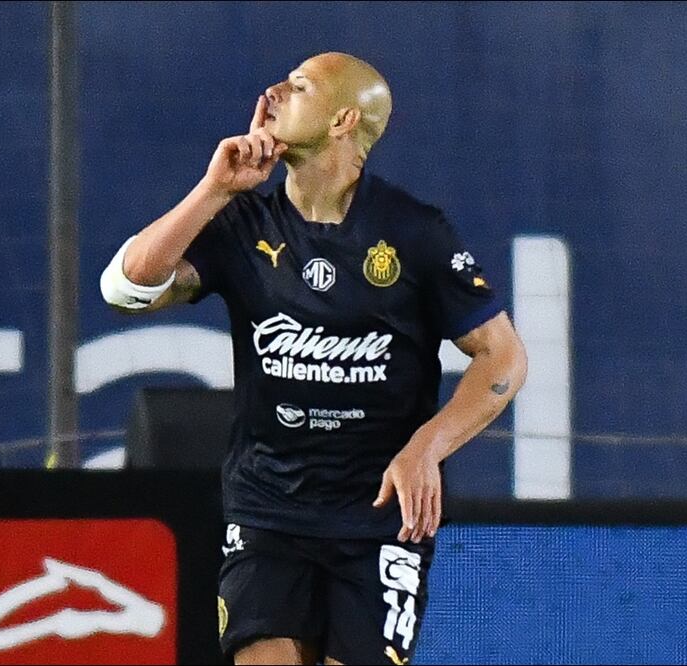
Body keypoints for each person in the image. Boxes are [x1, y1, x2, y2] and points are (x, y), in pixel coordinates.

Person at [100, 51, 528, 666]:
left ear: (342, 121)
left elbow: (502, 357)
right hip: (267, 509)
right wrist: (214, 189)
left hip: (379, 518)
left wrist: (426, 447)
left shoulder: (413, 231)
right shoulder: (245, 222)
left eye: (298, 86)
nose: (272, 91)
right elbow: (125, 290)